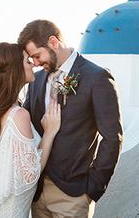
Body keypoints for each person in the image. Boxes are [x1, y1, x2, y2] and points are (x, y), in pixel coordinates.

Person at [18, 20, 123, 218]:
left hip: (73, 196)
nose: (37, 63)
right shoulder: (37, 80)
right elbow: (27, 128)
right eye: (32, 59)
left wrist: (92, 188)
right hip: (37, 193)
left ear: (53, 42)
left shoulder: (97, 77)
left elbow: (112, 137)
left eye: (37, 55)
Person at [0, 42, 61, 218]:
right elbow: (30, 174)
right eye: (27, 61)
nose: (33, 63)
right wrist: (49, 132)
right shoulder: (18, 115)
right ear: (15, 70)